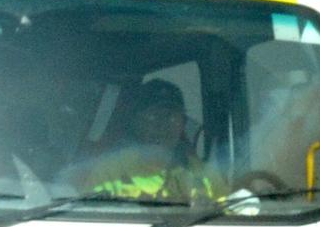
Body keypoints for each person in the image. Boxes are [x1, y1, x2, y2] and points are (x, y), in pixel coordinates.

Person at [76, 79, 224, 201]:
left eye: (171, 116)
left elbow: (231, 212)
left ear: (183, 123)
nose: (162, 125)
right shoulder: (110, 170)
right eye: (153, 116)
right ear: (135, 122)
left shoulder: (202, 173)